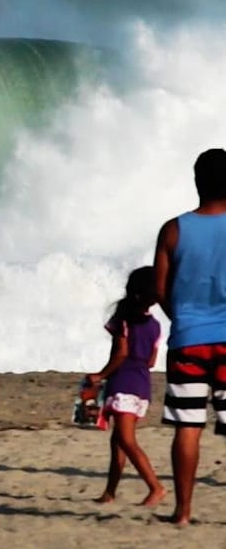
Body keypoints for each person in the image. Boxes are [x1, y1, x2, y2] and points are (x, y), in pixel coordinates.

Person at [156, 147, 226, 525]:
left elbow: (160, 288)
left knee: (188, 427)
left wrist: (183, 319)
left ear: (197, 181)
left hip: (188, 340)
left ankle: (182, 512)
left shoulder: (174, 229)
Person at [86, 266, 166, 506]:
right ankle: (109, 492)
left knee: (126, 440)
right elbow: (151, 361)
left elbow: (121, 353)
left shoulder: (123, 320)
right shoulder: (155, 326)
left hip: (124, 383)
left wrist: (100, 375)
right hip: (142, 385)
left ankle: (155, 487)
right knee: (118, 442)